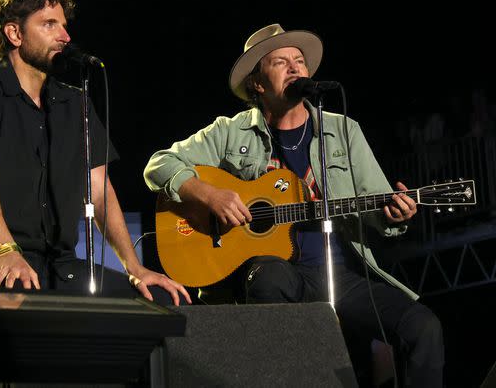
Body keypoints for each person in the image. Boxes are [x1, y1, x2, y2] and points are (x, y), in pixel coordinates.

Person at [143, 24, 443, 386]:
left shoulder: (343, 130)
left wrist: (395, 215)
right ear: (257, 83)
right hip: (272, 273)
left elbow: (378, 209)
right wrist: (209, 194)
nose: (295, 67)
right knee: (271, 280)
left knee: (423, 328)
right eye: (280, 62)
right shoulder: (230, 132)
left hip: (340, 272)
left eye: (299, 61)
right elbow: (159, 164)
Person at [0, 0, 190, 306]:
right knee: (17, 291)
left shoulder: (75, 102)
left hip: (56, 265)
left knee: (157, 298)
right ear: (14, 33)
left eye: (63, 25)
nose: (65, 36)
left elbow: (100, 189)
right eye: (49, 24)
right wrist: (7, 251)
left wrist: (135, 268)